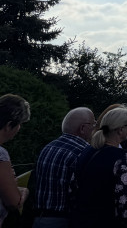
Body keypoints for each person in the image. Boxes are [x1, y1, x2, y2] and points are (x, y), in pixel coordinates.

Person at [70, 103, 127, 228]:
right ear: (120, 129)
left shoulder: (87, 152)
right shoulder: (123, 158)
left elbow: (73, 188)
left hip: (81, 221)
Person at [32, 106, 95, 228]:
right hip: (63, 221)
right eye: (93, 124)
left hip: (39, 219)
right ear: (82, 128)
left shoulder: (48, 147)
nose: (95, 128)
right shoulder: (82, 152)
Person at [0, 95, 31, 226]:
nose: (19, 129)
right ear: (8, 125)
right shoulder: (1, 154)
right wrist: (24, 191)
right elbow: (14, 202)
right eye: (19, 125)